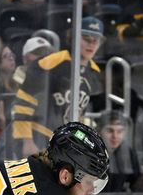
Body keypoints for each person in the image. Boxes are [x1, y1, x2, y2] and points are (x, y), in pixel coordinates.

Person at [10, 17, 105, 158]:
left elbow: (79, 114)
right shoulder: (50, 63)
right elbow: (24, 101)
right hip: (38, 137)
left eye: (96, 40)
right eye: (86, 38)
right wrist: (27, 141)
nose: (91, 44)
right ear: (73, 37)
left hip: (66, 143)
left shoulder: (94, 73)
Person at [99, 111, 143, 192]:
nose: (115, 136)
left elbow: (140, 187)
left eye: (119, 131)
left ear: (124, 133)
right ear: (100, 131)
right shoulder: (89, 152)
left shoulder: (129, 154)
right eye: (110, 131)